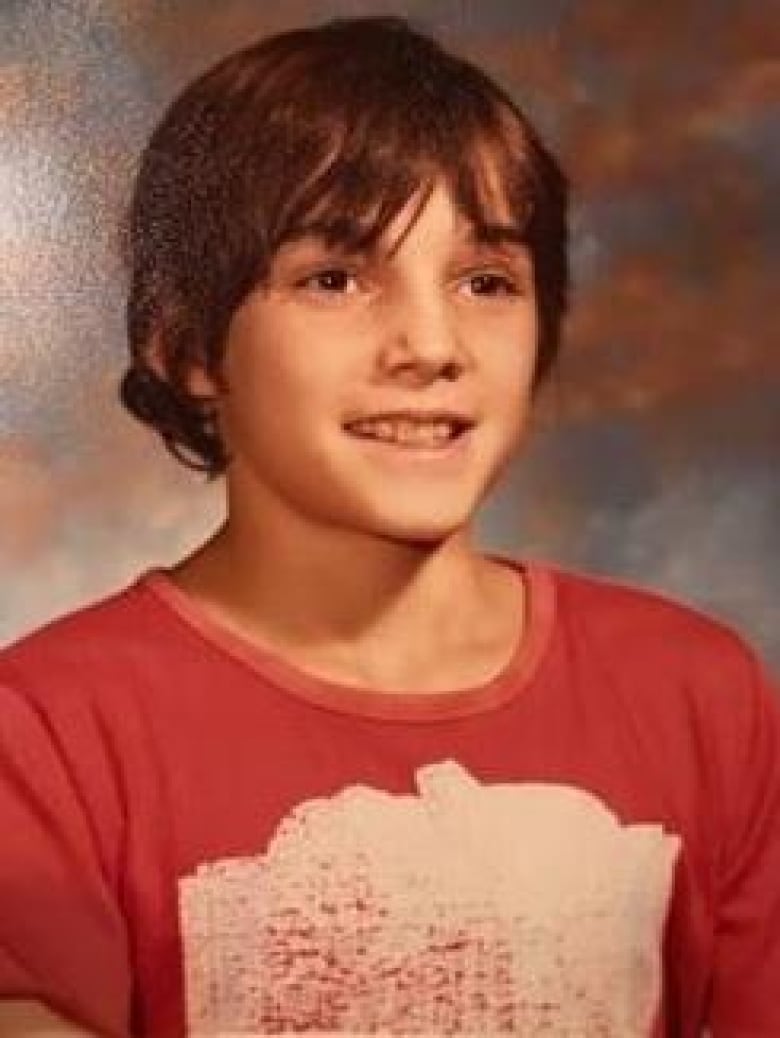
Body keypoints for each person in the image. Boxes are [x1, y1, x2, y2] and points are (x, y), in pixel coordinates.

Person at [1, 14, 778, 1037]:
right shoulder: (50, 734)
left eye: (485, 282)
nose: (431, 343)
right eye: (336, 278)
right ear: (186, 344)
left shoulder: (698, 696)